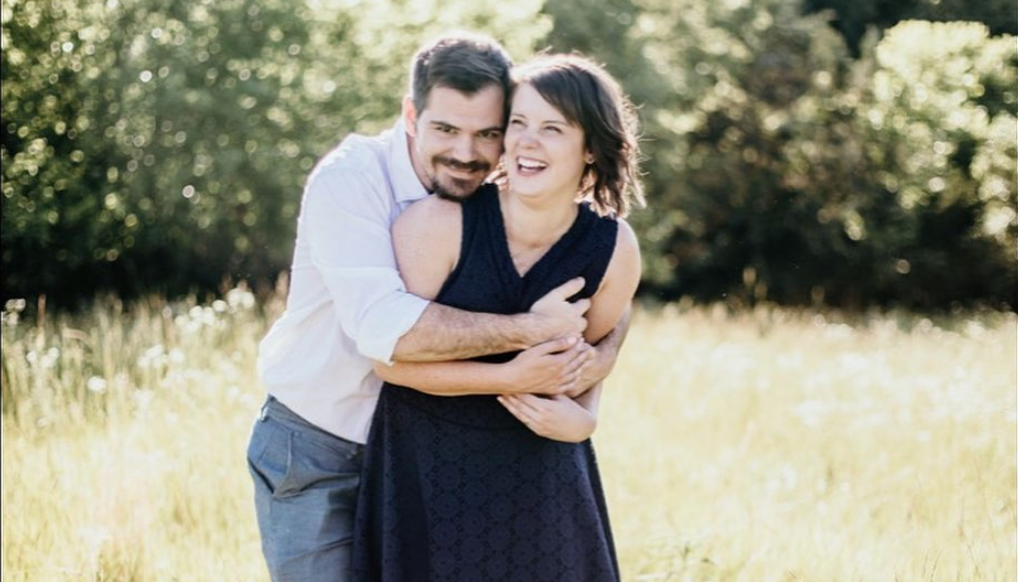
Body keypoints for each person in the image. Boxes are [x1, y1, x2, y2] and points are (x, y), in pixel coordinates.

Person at [246, 34, 631, 582]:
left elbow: (604, 294)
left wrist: (600, 364)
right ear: (410, 114)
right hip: (319, 443)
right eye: (446, 129)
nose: (466, 152)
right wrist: (530, 333)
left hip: (417, 453)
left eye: (488, 133)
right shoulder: (352, 181)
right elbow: (388, 335)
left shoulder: (494, 202)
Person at [350, 53, 644, 581]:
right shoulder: (437, 224)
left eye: (552, 128)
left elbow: (589, 356)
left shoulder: (613, 245)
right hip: (429, 468)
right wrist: (508, 376)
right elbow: (390, 364)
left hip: (544, 481)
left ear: (591, 147)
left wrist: (586, 415)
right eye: (518, 123)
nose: (527, 142)